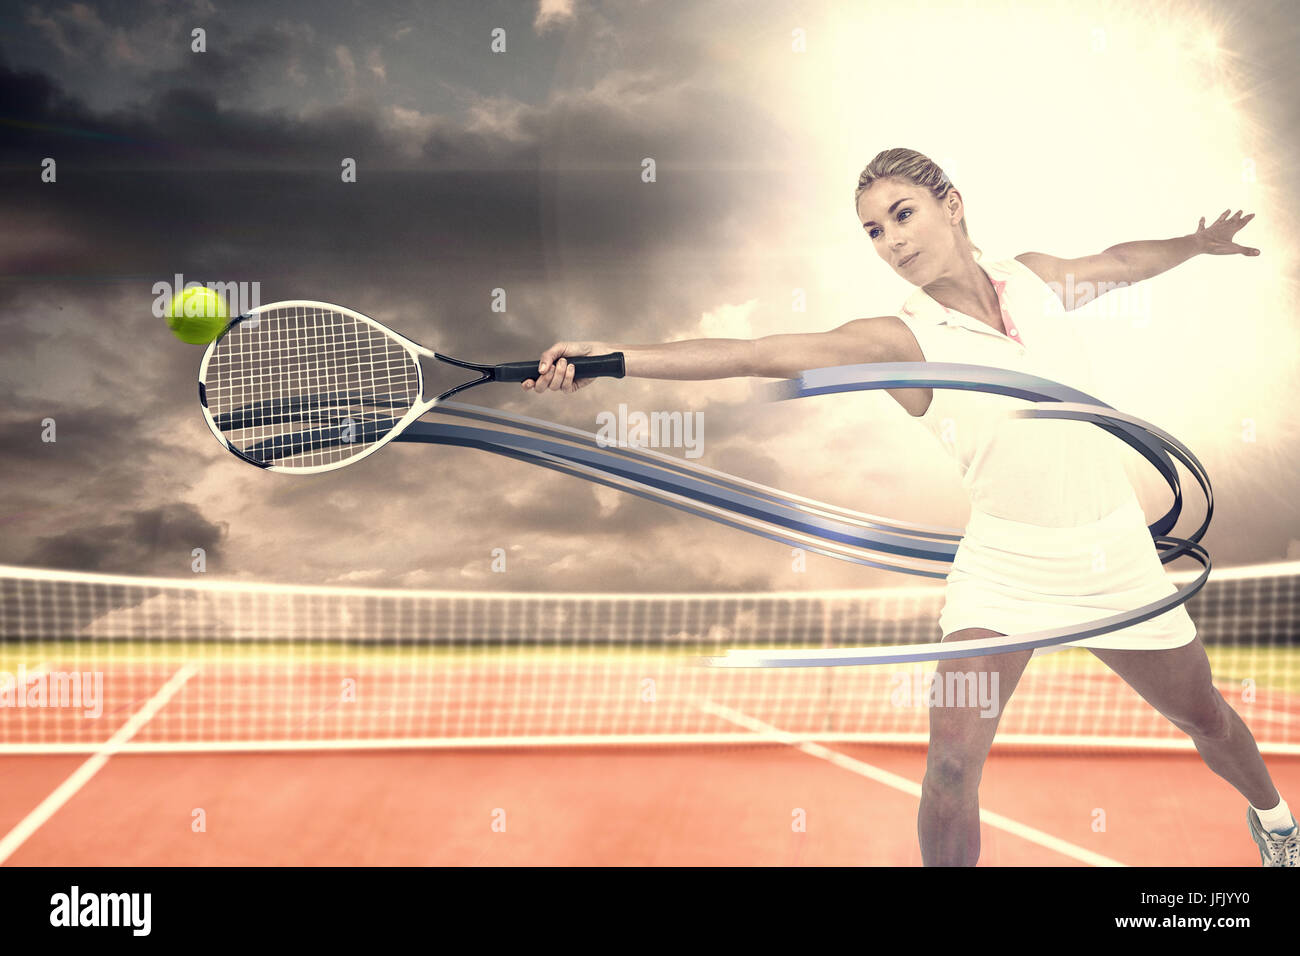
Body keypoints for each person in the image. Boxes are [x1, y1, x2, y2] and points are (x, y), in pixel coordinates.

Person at [519, 146, 1295, 867]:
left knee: (1206, 719)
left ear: (950, 204)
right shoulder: (899, 338)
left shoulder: (1034, 279)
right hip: (1007, 567)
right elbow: (760, 351)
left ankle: (1276, 823)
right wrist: (612, 360)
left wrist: (1195, 245)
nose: (890, 239)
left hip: (1115, 553)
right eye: (872, 231)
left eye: (902, 214)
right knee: (952, 762)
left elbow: (1123, 262)